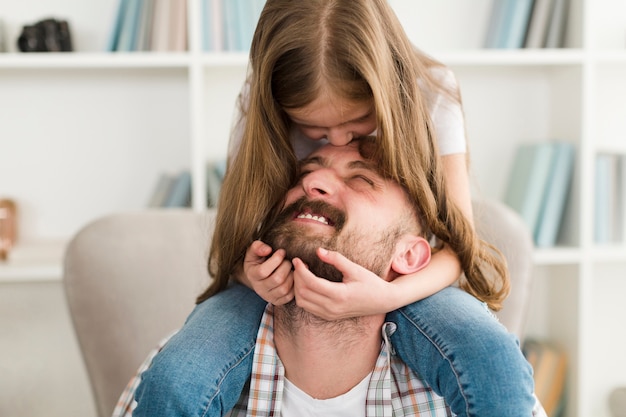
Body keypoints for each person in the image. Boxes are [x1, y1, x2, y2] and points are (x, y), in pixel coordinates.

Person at [133, 1, 536, 416]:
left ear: (386, 84)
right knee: (176, 379)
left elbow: (459, 245)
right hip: (272, 288)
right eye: (315, 131)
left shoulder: (432, 92)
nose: (339, 140)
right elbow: (235, 240)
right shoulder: (260, 103)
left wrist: (386, 295)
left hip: (404, 281)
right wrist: (252, 275)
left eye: (358, 120)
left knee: (492, 363)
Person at [118, 140, 545, 416]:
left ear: (411, 254)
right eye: (304, 173)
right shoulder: (180, 370)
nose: (314, 182)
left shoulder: (466, 385)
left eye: (361, 179)